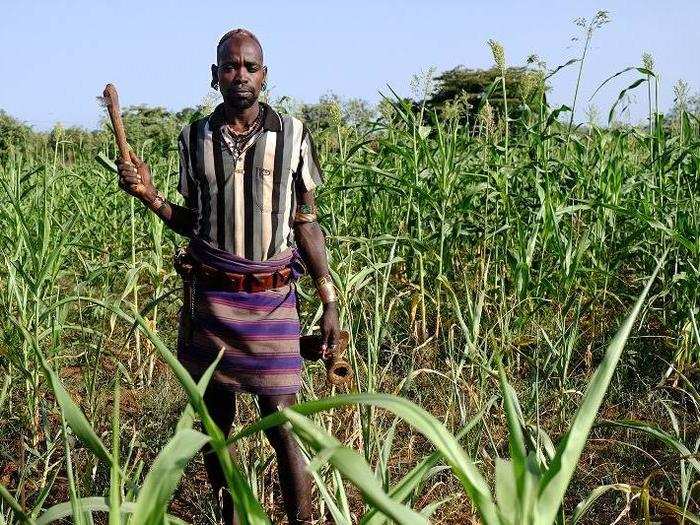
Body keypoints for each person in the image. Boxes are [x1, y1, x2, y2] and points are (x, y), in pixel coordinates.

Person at [116, 27, 339, 525]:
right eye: (231, 67)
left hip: (273, 298)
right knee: (216, 426)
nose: (241, 75)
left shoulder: (294, 134)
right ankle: (232, 518)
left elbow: (306, 221)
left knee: (281, 422)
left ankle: (300, 519)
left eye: (250, 67)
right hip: (213, 299)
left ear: (265, 75)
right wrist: (151, 197)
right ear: (215, 76)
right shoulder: (193, 138)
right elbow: (194, 221)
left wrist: (328, 300)